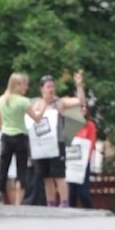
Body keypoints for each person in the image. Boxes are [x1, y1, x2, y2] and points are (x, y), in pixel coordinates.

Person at [0, 73, 46, 206]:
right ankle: (18, 202)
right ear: (18, 85)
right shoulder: (23, 101)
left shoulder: (2, 100)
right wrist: (42, 109)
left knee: (2, 168)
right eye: (25, 84)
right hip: (20, 136)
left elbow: (2, 121)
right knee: (21, 170)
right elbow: (36, 119)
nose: (26, 87)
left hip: (6, 136)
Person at [35, 72, 86, 207]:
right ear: (42, 89)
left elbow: (80, 102)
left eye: (53, 86)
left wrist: (79, 84)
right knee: (46, 176)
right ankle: (50, 202)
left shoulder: (60, 103)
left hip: (57, 143)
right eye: (48, 87)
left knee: (59, 175)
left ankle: (64, 201)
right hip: (42, 145)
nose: (51, 89)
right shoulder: (37, 104)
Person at [68, 104, 96, 208]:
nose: (83, 109)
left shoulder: (90, 125)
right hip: (71, 161)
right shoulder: (71, 124)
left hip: (83, 162)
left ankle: (91, 212)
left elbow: (91, 143)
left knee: (83, 193)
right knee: (71, 193)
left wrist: (86, 160)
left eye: (85, 107)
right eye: (81, 107)